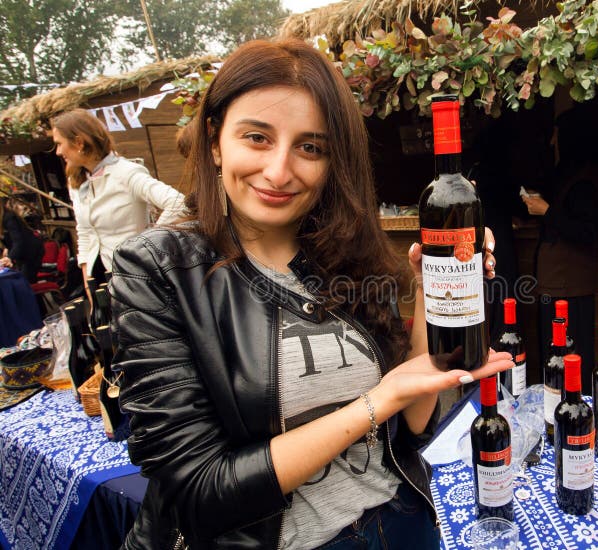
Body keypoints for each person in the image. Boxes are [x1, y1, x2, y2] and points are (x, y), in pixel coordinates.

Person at [109, 39, 511, 550]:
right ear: (215, 141)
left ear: (332, 161)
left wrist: (434, 296)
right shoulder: (159, 268)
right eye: (257, 137)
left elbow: (410, 429)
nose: (279, 171)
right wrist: (375, 402)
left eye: (310, 147)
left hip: (402, 522)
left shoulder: (350, 254)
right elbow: (199, 492)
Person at [50, 109, 185, 291]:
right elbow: (84, 232)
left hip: (135, 276)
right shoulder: (76, 182)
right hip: (98, 277)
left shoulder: (125, 173)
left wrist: (147, 243)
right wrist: (88, 280)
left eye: (59, 144)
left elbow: (178, 203)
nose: (58, 152)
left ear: (79, 142)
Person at [522, 104, 598, 391]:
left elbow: (586, 231)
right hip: (555, 285)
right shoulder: (567, 173)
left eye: (557, 134)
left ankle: (575, 418)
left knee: (570, 361)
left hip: (571, 290)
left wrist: (547, 211)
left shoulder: (585, 181)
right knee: (553, 360)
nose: (553, 141)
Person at [0, 196, 45, 283]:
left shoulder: (9, 217)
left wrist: (10, 257)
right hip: (22, 253)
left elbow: (18, 241)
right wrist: (7, 250)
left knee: (24, 281)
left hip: (32, 251)